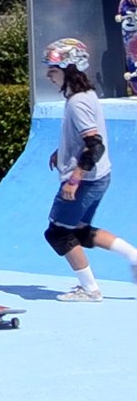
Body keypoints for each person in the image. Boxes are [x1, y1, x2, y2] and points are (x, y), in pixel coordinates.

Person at [40, 39, 137, 301]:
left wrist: (74, 179)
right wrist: (62, 151)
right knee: (79, 231)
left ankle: (90, 289)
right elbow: (83, 137)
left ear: (69, 70)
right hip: (99, 178)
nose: (48, 75)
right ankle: (134, 256)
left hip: (85, 180)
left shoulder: (77, 103)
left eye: (53, 69)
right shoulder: (86, 95)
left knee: (58, 233)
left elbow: (94, 145)